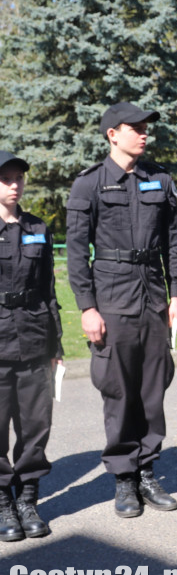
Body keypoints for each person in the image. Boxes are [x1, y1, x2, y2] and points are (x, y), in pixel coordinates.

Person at [66, 102, 177, 518]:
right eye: (135, 127)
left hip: (152, 295)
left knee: (153, 389)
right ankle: (123, 480)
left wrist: (176, 297)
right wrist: (87, 308)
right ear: (112, 134)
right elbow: (77, 254)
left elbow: (172, 241)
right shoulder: (90, 184)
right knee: (118, 390)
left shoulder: (160, 180)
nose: (144, 133)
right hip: (112, 297)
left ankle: (147, 472)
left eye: (146, 127)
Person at [0, 152, 62, 541]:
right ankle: (3, 503)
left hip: (36, 339)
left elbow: (48, 289)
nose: (14, 185)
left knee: (36, 425)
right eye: (6, 179)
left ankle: (27, 498)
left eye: (19, 178)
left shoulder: (37, 226)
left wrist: (56, 343)